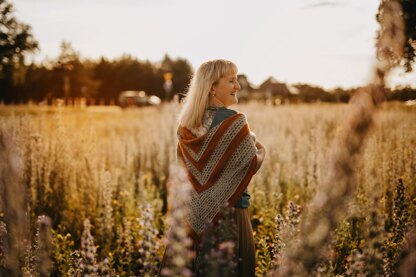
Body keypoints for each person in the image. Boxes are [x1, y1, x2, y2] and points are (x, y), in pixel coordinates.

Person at [161, 59, 265, 277]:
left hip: (190, 221)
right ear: (212, 87)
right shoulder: (235, 122)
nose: (238, 86)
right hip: (232, 218)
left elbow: (188, 174)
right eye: (232, 81)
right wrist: (260, 152)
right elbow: (250, 162)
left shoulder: (185, 127)